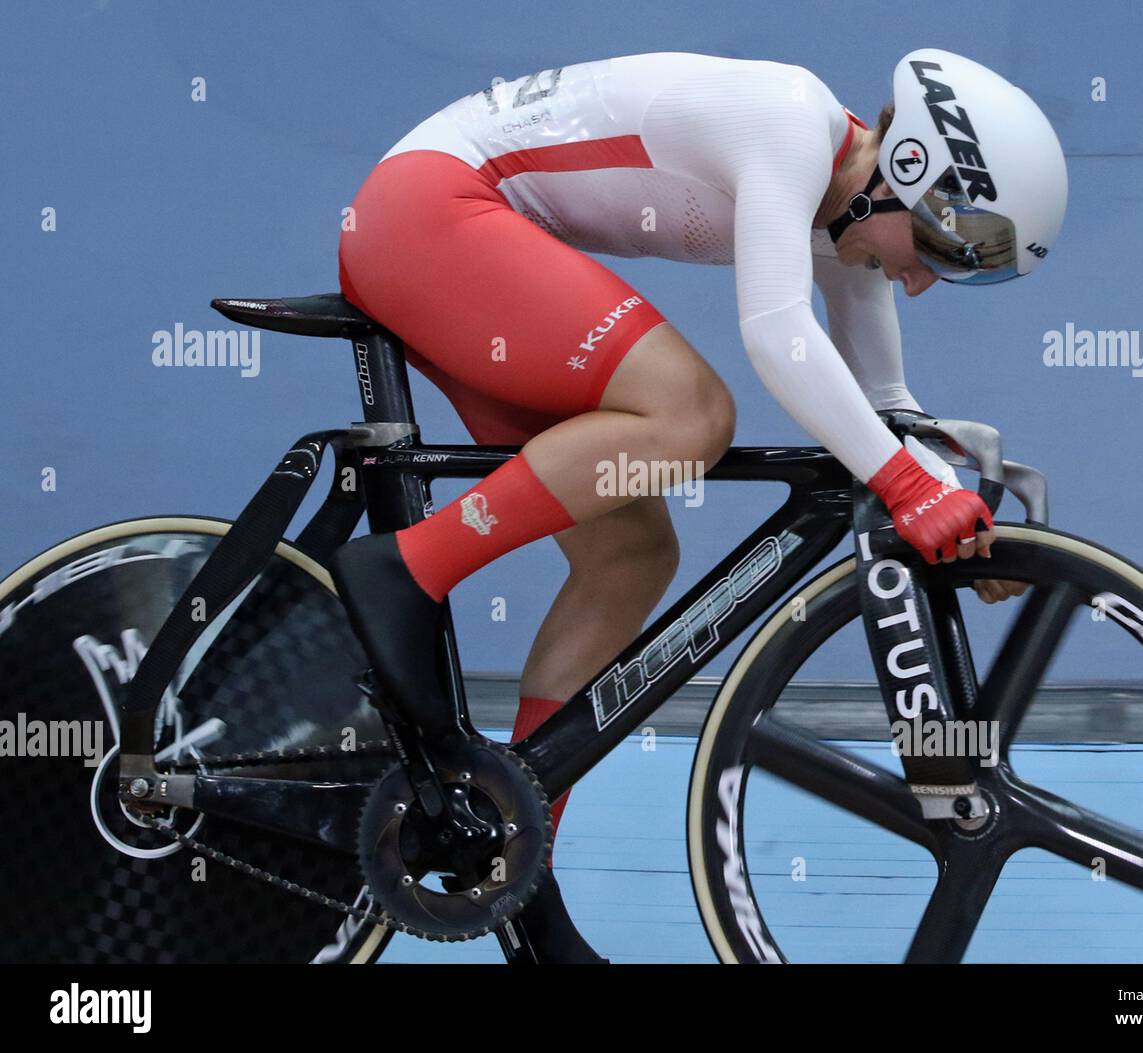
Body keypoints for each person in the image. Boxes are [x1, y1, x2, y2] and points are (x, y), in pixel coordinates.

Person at [329, 49, 1067, 961]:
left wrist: (951, 501)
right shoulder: (790, 121)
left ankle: (518, 856)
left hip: (461, 228)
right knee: (692, 414)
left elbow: (885, 406)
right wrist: (910, 485)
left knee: (631, 557)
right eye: (944, 250)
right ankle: (407, 570)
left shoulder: (843, 216)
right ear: (904, 174)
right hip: (432, 210)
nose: (926, 283)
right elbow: (776, 335)